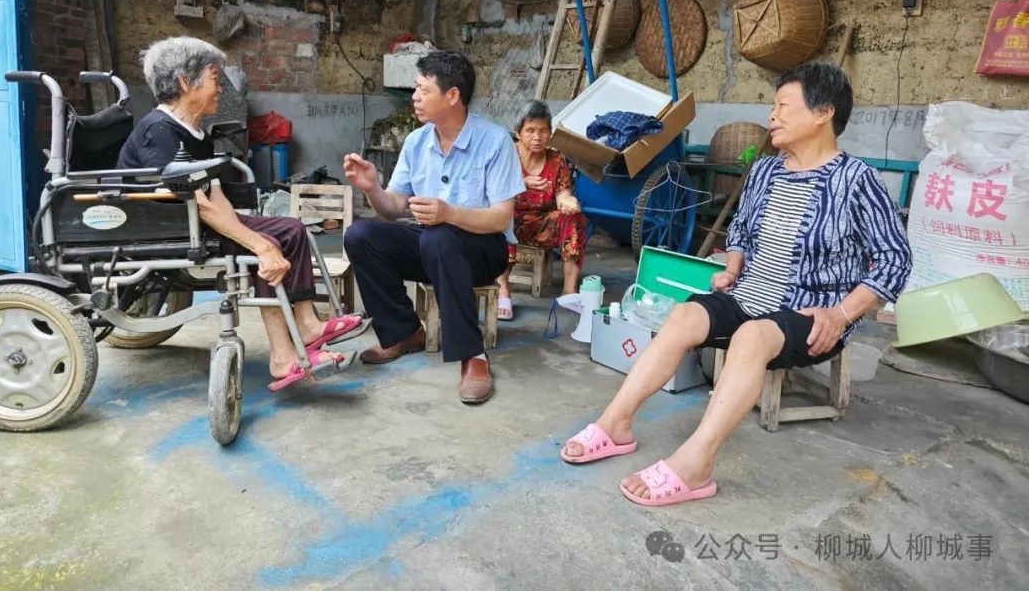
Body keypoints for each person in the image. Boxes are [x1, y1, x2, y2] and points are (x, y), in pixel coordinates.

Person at [560, 60, 912, 506]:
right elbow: (742, 229)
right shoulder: (766, 171)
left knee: (750, 336)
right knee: (686, 314)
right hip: (750, 295)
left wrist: (841, 314)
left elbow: (896, 260)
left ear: (824, 113)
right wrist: (732, 266)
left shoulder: (857, 181)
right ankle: (616, 424)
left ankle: (697, 463)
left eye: (784, 105)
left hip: (811, 312)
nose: (773, 116)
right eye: (773, 106)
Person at [118, 37, 366, 391]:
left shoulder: (191, 130)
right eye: (216, 78)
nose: (222, 88)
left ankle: (308, 324)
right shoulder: (160, 131)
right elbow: (200, 204)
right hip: (168, 229)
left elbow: (210, 193)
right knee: (267, 243)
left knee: (292, 229)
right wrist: (259, 244)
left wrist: (246, 228)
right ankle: (282, 358)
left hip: (192, 221)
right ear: (186, 83)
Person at [342, 50, 525, 404]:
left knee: (440, 236)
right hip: (432, 243)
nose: (414, 97)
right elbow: (393, 209)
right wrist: (372, 188)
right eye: (416, 89)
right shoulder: (416, 142)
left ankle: (473, 357)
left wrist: (449, 214)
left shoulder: (495, 140)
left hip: (484, 249)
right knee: (361, 235)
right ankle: (404, 332)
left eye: (423, 90)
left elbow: (502, 217)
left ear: (452, 95)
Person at [495, 100, 587, 320]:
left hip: (541, 223)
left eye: (544, 131)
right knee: (501, 220)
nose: (537, 137)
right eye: (530, 130)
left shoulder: (557, 160)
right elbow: (493, 191)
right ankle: (503, 291)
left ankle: (569, 292)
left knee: (575, 219)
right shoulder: (505, 155)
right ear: (518, 133)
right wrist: (523, 182)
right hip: (510, 219)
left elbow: (562, 194)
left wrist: (568, 203)